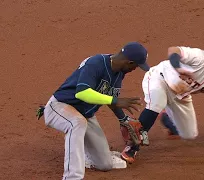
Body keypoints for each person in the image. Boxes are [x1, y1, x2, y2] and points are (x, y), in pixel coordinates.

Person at [120, 35, 204, 164]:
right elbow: (173, 50)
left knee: (190, 134)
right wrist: (178, 67)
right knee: (156, 103)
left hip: (181, 94)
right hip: (160, 79)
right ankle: (132, 147)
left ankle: (167, 119)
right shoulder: (200, 57)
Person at [38, 42, 149, 180]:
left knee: (105, 164)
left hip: (86, 115)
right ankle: (72, 177)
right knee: (76, 123)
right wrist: (115, 101)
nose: (135, 68)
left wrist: (123, 119)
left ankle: (82, 155)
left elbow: (110, 97)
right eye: (136, 65)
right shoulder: (96, 63)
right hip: (59, 106)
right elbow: (82, 93)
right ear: (129, 62)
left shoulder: (119, 73)